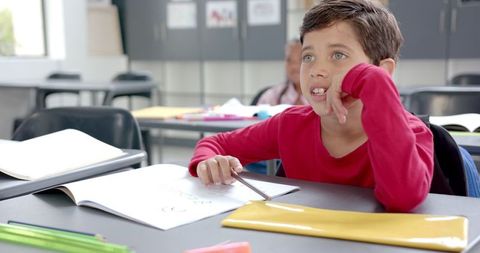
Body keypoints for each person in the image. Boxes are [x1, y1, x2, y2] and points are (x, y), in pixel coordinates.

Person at [188, 0, 434, 212]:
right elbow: (215, 143)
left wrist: (374, 83)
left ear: (382, 71)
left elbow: (402, 199)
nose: (317, 70)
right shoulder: (291, 124)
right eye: (308, 57)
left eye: (338, 55)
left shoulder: (413, 133)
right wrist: (208, 162)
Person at [256, 39, 308, 105]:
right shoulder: (272, 96)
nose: (294, 66)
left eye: (300, 59)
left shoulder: (321, 98)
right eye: (289, 60)